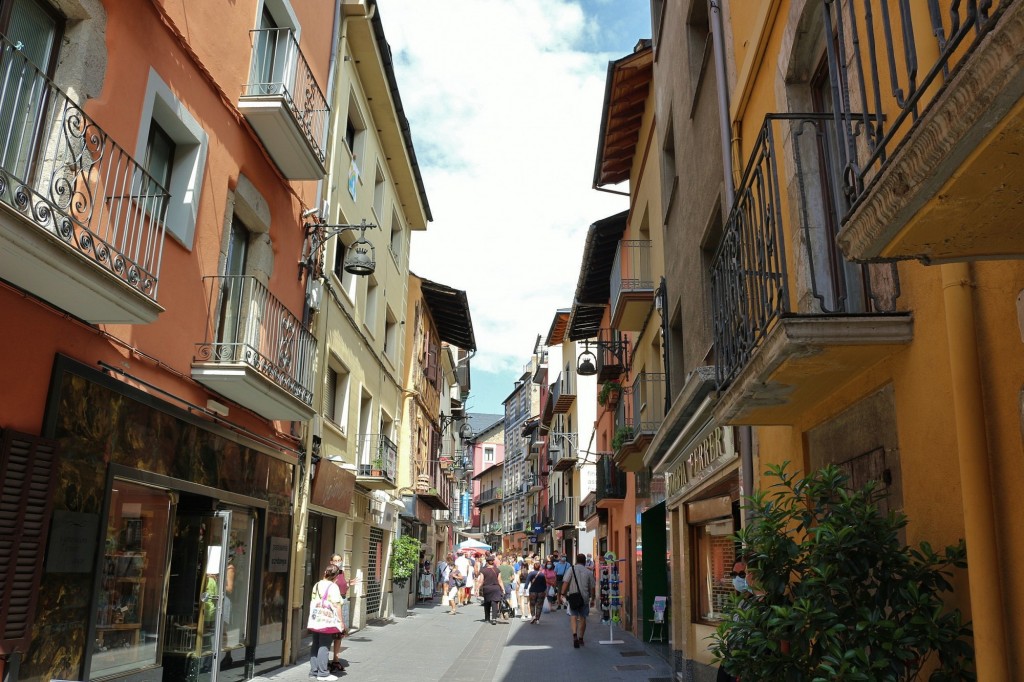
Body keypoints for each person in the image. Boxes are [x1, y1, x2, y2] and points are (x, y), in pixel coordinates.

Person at [309, 565, 344, 682]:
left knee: (315, 644)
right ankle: (323, 673)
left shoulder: (317, 585)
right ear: (336, 576)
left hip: (316, 619)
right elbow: (337, 605)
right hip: (327, 620)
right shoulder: (333, 587)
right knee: (324, 645)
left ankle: (314, 671)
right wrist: (341, 622)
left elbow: (314, 600)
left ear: (325, 572)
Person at [561, 553, 597, 648]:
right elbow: (593, 587)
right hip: (584, 598)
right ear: (585, 561)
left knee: (573, 616)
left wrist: (562, 594)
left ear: (576, 560)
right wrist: (593, 598)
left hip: (573, 596)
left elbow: (565, 582)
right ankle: (581, 638)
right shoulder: (588, 572)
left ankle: (574, 635)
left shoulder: (571, 569)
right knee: (583, 617)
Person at [327, 554, 349, 674]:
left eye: (339, 560)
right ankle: (325, 660)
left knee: (339, 634)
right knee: (330, 632)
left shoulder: (342, 572)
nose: (337, 562)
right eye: (335, 560)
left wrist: (348, 585)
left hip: (343, 602)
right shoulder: (329, 573)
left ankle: (336, 660)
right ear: (331, 561)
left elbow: (343, 587)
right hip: (334, 605)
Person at [476, 554, 506, 624]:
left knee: (487, 603)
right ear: (493, 562)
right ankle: (494, 618)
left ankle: (487, 618)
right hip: (496, 588)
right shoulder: (497, 570)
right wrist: (503, 588)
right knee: (494, 603)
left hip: (487, 588)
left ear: (487, 562)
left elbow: (481, 581)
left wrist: (477, 589)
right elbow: (500, 580)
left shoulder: (483, 570)